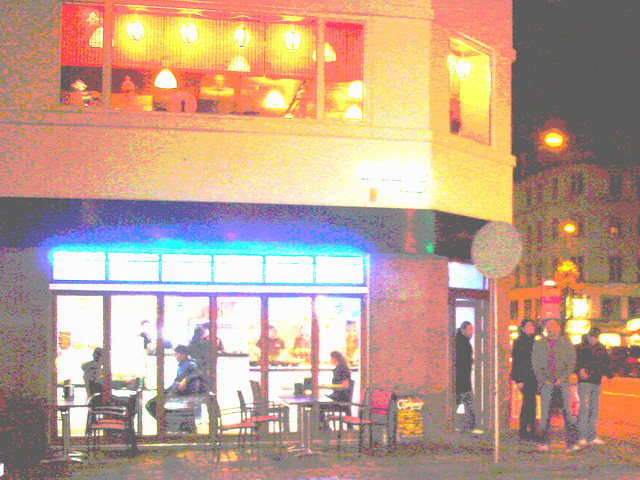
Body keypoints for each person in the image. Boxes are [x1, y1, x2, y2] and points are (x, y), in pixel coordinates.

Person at [532, 318, 580, 452]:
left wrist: (563, 377)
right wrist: (543, 379)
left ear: (559, 327)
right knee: (545, 414)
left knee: (567, 413)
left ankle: (571, 442)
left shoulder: (566, 343)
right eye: (548, 326)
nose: (550, 328)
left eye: (553, 326)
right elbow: (535, 363)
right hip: (546, 384)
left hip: (562, 383)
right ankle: (544, 442)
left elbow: (571, 361)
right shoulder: (540, 344)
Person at [145, 345, 205, 420]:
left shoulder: (190, 365)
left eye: (177, 354)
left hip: (180, 394)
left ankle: (165, 424)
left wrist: (186, 379)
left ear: (183, 355)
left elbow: (198, 374)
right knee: (152, 404)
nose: (175, 356)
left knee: (152, 404)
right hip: (174, 391)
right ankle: (167, 423)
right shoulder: (182, 365)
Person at [575, 326, 611, 446]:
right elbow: (574, 362)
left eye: (596, 337)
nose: (594, 339)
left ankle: (592, 435)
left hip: (596, 381)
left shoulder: (601, 348)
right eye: (593, 336)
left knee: (594, 409)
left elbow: (606, 362)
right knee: (584, 408)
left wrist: (609, 375)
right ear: (588, 336)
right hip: (584, 381)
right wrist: (579, 370)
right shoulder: (581, 347)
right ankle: (581, 436)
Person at [511, 318, 538, 441]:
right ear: (522, 328)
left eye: (532, 326)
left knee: (531, 403)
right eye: (529, 326)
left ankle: (529, 429)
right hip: (524, 377)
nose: (531, 328)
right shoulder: (519, 342)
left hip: (533, 376)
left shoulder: (534, 342)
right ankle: (526, 430)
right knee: (529, 402)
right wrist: (518, 379)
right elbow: (517, 362)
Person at [455, 321, 483, 435]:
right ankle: (470, 426)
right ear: (463, 330)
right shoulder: (463, 343)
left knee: (461, 402)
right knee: (468, 402)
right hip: (462, 378)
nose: (472, 332)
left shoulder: (461, 342)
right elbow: (462, 361)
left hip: (461, 378)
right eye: (470, 329)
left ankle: (461, 425)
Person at [319, 351, 352, 429]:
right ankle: (324, 426)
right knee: (320, 402)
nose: (330, 360)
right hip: (341, 396)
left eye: (331, 358)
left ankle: (323, 427)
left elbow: (345, 385)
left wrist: (328, 386)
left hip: (340, 398)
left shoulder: (341, 369)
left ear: (334, 359)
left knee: (318, 405)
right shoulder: (342, 368)